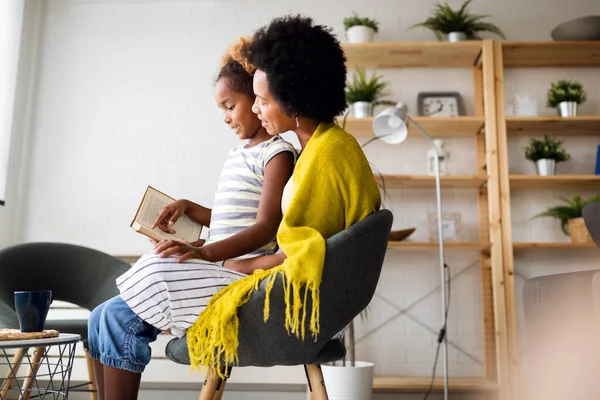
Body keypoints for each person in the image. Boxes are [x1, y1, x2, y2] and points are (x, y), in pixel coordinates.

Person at [87, 40, 297, 400]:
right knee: (101, 315)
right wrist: (189, 210)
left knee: (141, 287)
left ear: (258, 99)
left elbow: (265, 227)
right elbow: (233, 219)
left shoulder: (277, 153)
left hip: (234, 272)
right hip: (220, 261)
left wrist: (206, 254)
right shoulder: (238, 154)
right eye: (222, 110)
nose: (227, 118)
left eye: (230, 106)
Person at [185, 14, 381, 377]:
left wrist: (235, 265)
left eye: (261, 99)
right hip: (301, 290)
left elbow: (301, 256)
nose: (255, 110)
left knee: (161, 280)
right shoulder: (320, 147)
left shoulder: (327, 156)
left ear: (292, 100)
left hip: (304, 301)